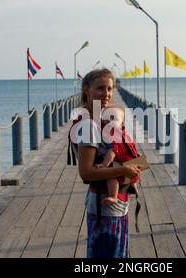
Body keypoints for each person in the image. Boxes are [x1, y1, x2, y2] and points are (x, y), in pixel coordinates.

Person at [70, 68, 142, 258]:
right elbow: (86, 173)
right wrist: (124, 169)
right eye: (100, 88)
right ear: (87, 89)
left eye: (109, 89)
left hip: (117, 205)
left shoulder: (104, 120)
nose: (107, 94)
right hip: (104, 207)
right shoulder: (88, 125)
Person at [96, 105, 140, 206]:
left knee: (110, 175)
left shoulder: (112, 134)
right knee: (133, 172)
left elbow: (112, 151)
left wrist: (104, 165)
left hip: (122, 165)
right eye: (106, 119)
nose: (108, 121)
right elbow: (132, 147)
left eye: (113, 119)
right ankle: (133, 185)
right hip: (133, 165)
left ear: (121, 123)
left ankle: (113, 196)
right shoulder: (125, 133)